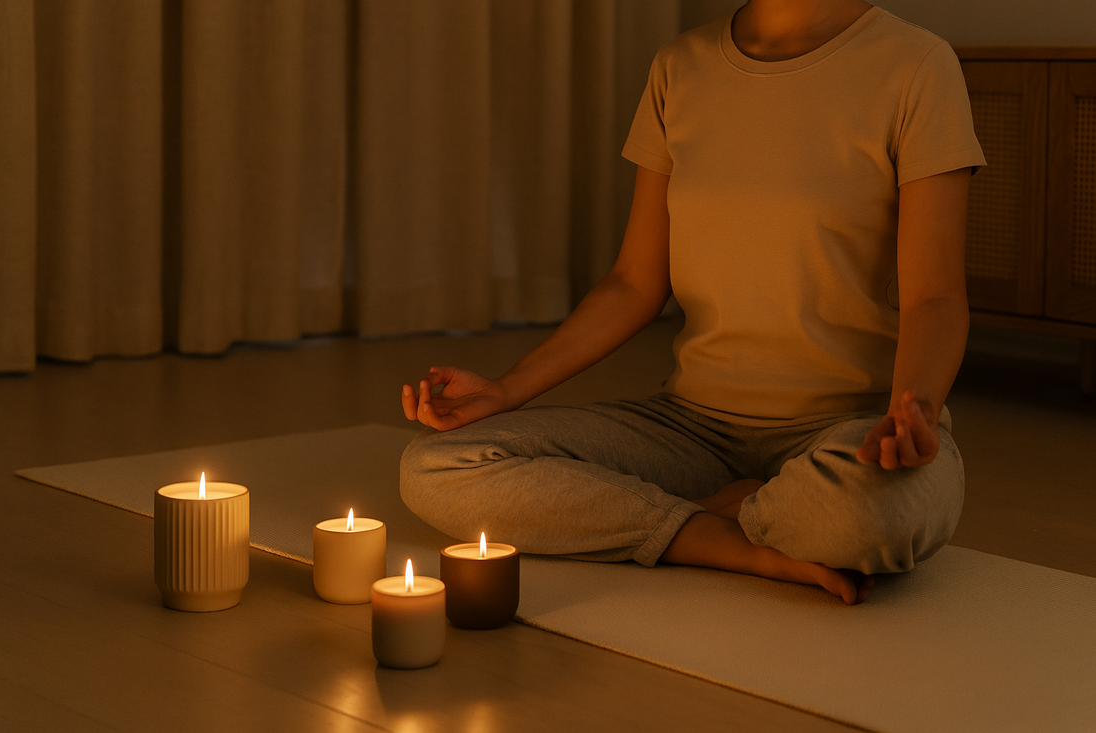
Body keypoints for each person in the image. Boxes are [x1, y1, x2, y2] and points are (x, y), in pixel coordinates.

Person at [398, 0, 985, 605]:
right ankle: (720, 532)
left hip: (852, 434)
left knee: (864, 515)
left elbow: (935, 297)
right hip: (692, 430)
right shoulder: (679, 67)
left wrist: (908, 410)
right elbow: (634, 282)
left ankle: (690, 515)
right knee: (439, 465)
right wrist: (505, 390)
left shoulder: (917, 65)